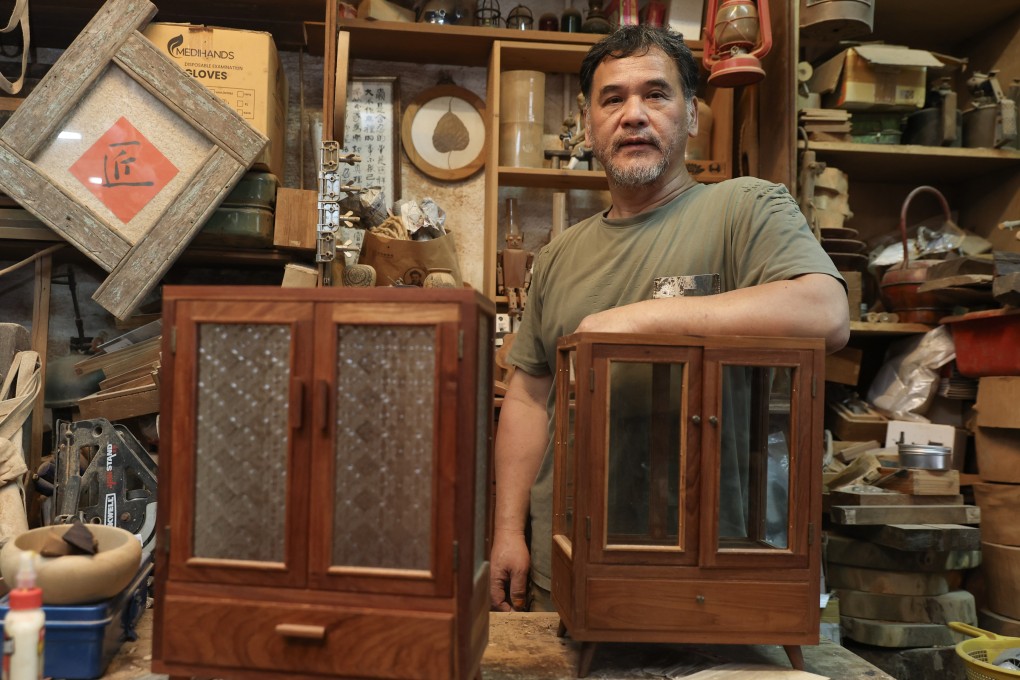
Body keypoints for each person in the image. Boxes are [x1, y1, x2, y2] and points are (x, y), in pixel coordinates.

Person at [488, 25, 850, 613]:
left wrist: (635, 322)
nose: (633, 115)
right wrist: (509, 531)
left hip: (706, 565)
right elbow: (529, 398)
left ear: (691, 118)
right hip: (569, 560)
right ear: (587, 124)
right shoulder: (557, 256)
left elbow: (827, 312)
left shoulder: (744, 207)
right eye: (613, 98)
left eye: (656, 95)